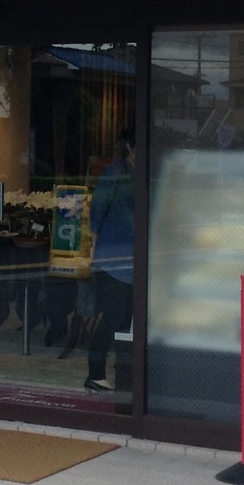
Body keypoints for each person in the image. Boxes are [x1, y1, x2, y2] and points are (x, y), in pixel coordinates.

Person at [85, 129, 135, 393]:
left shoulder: (138, 173)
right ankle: (95, 374)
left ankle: (124, 371)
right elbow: (97, 212)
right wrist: (94, 249)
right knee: (111, 316)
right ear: (129, 148)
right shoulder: (115, 173)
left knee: (127, 319)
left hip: (132, 260)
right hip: (111, 258)